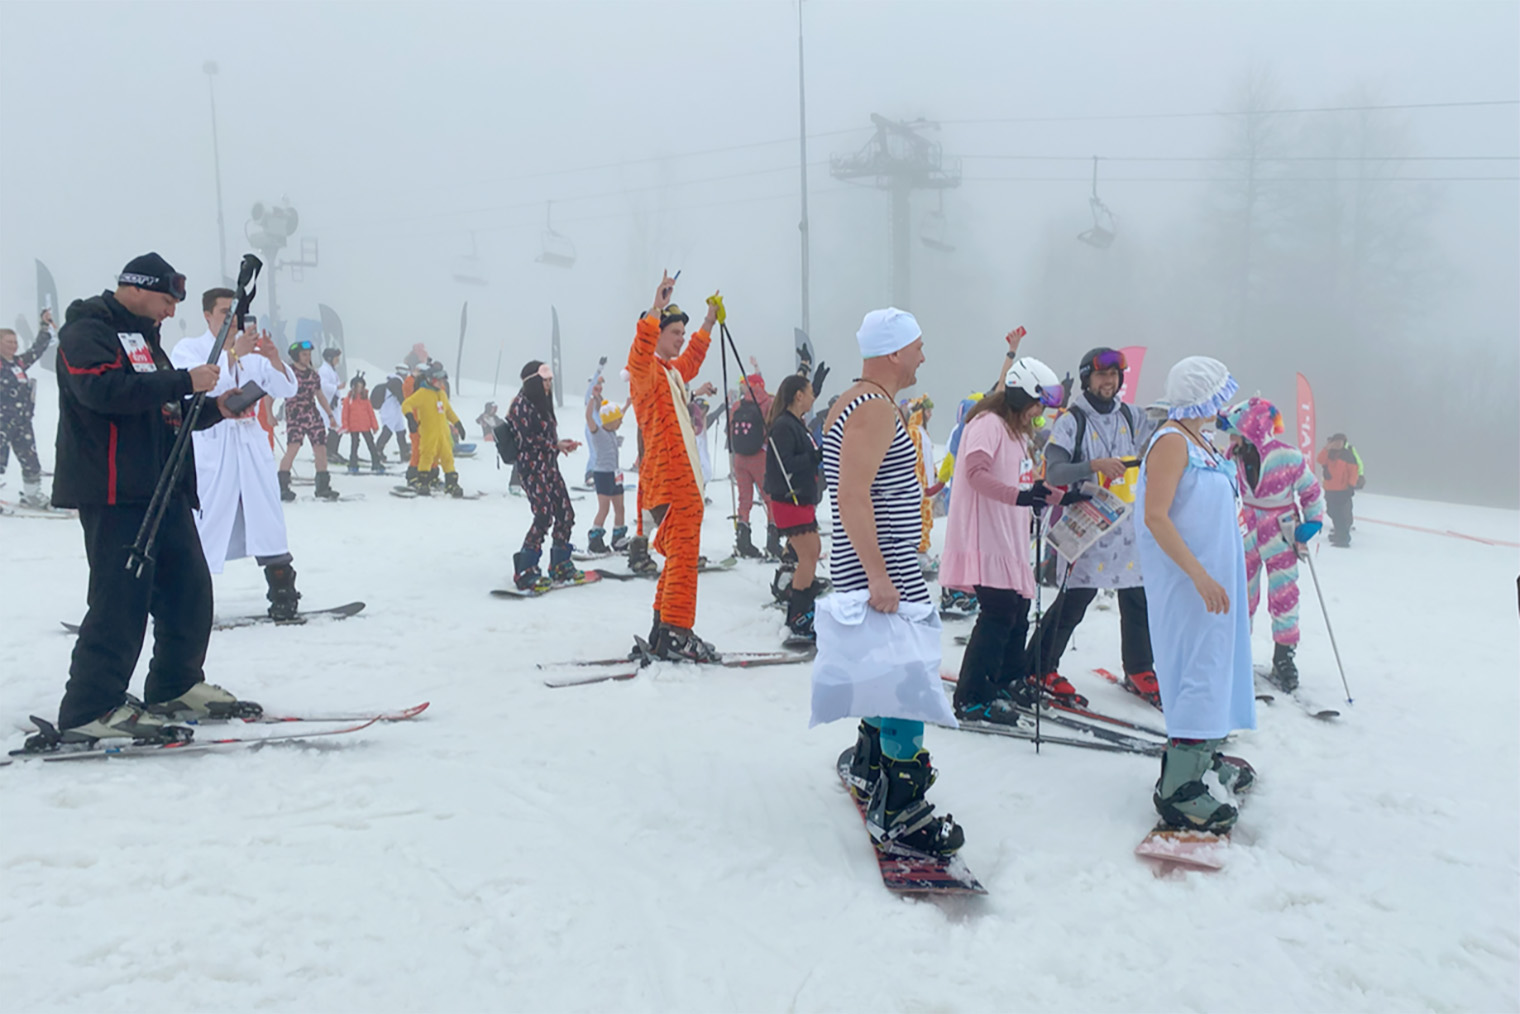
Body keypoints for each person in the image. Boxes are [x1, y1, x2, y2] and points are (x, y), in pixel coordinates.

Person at [42, 253, 260, 746]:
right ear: (136, 288)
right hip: (115, 489)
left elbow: (158, 408)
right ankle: (89, 706)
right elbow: (103, 391)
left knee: (189, 590)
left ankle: (175, 684)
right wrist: (183, 380)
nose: (168, 311)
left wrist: (212, 408)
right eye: (165, 300)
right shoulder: (87, 331)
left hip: (162, 487)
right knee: (120, 599)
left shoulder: (145, 341)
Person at [827, 307, 964, 856]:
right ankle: (902, 809)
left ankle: (870, 762)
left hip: (871, 564)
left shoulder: (853, 400)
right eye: (917, 347)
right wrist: (882, 578)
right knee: (908, 680)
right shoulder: (875, 409)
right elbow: (852, 495)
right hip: (883, 568)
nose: (923, 357)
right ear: (893, 352)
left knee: (883, 669)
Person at [1135, 356, 1254, 833]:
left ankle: (1204, 755)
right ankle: (1179, 786)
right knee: (1196, 668)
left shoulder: (1202, 440)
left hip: (1217, 581)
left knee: (1217, 665)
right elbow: (1156, 516)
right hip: (1189, 586)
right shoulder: (1170, 441)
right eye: (1219, 393)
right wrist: (1198, 575)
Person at [943, 333, 1074, 724]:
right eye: (1036, 403)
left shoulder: (1016, 432)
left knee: (1016, 612)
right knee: (998, 614)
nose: (1038, 413)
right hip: (986, 538)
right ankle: (971, 695)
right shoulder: (988, 424)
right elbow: (976, 473)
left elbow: (1020, 484)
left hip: (1010, 541)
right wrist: (1021, 498)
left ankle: (1004, 679)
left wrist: (1058, 498)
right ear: (1019, 396)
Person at [1025, 347, 1160, 705]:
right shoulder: (1072, 420)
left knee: (1137, 598)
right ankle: (1039, 666)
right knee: (1074, 601)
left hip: (1126, 526)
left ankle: (1139, 667)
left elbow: (1165, 427)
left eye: (1115, 376)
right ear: (1087, 379)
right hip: (1087, 524)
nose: (1109, 382)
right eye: (1102, 376)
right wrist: (1094, 465)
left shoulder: (1131, 415)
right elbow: (1054, 471)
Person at [170, 287, 303, 620]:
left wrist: (272, 358)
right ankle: (183, 600)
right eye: (223, 313)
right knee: (206, 522)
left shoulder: (253, 353)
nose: (231, 321)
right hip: (213, 442)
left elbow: (286, 389)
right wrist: (231, 354)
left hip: (249, 443)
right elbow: (197, 388)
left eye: (235, 313)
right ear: (207, 315)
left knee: (268, 518)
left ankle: (283, 592)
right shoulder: (189, 349)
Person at [625, 272, 719, 660]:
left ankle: (664, 628)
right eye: (674, 331)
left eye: (682, 330)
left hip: (680, 480)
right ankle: (677, 631)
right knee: (683, 556)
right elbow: (638, 351)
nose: (680, 337)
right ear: (658, 333)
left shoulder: (670, 372)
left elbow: (691, 359)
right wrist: (656, 307)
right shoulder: (646, 373)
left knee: (680, 555)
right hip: (670, 479)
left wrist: (709, 322)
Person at [1217, 396, 1326, 691]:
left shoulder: (1288, 457)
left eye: (1236, 430)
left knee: (1285, 596)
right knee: (1242, 596)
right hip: (1245, 532)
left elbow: (1311, 491)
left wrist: (1313, 521)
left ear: (1254, 429)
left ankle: (1284, 657)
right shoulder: (1231, 457)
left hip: (1280, 532)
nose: (1231, 437)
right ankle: (1238, 654)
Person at [507, 360, 583, 588]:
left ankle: (560, 563)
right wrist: (555, 446)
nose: (549, 385)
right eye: (545, 381)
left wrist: (559, 444)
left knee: (566, 513)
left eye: (550, 380)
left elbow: (545, 438)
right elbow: (526, 439)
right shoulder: (521, 405)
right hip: (532, 469)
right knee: (543, 515)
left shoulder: (541, 404)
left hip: (549, 467)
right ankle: (525, 567)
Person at [763, 373, 824, 642]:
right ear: (798, 396)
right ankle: (798, 616)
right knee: (809, 555)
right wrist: (815, 456)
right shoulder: (784, 426)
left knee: (812, 553)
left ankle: (804, 606)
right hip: (790, 500)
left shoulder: (795, 423)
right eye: (810, 392)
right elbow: (785, 463)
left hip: (801, 499)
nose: (813, 397)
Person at [0, 309, 56, 507]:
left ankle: (32, 496)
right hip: (2, 421)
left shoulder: (18, 364)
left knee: (30, 459)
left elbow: (36, 350)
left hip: (22, 421)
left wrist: (44, 327)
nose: (13, 346)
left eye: (15, 342)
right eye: (8, 342)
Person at [276, 340, 340, 501]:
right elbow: (273, 392)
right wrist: (270, 414)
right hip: (295, 415)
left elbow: (320, 395)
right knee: (293, 448)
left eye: (309, 354)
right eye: (304, 354)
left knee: (321, 449)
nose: (307, 357)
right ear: (296, 356)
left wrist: (330, 415)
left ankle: (323, 487)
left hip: (313, 414)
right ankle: (282, 487)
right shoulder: (288, 373)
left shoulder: (313, 374)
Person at [728, 361, 775, 559]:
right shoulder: (768, 402)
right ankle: (773, 542)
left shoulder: (739, 405)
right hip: (761, 456)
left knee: (744, 499)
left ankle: (743, 540)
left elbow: (730, 429)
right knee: (769, 498)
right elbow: (773, 426)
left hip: (740, 457)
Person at [401, 363, 466, 497]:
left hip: (443, 435)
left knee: (448, 458)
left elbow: (448, 411)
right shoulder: (422, 393)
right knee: (426, 456)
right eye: (439, 381)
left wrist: (458, 424)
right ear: (431, 380)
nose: (441, 383)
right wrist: (410, 418)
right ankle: (423, 482)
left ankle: (451, 483)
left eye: (442, 381)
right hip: (428, 434)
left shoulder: (441, 394)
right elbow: (406, 404)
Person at [584, 382, 629, 555]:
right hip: (602, 474)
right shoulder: (598, 432)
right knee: (604, 508)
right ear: (610, 421)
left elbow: (619, 415)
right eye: (618, 421)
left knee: (620, 507)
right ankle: (595, 539)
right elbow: (589, 417)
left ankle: (618, 538)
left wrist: (627, 405)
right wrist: (593, 398)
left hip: (616, 474)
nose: (621, 423)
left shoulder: (612, 431)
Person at [1317, 433, 1361, 547]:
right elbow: (1320, 459)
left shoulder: (1348, 455)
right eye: (1336, 442)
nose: (1338, 444)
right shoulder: (1329, 454)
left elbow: (1353, 471)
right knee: (1332, 511)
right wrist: (1327, 448)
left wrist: (1351, 486)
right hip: (1330, 488)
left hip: (1342, 490)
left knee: (1340, 514)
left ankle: (1343, 537)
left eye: (1340, 442)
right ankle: (1338, 533)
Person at [341, 373, 383, 473]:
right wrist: (345, 426)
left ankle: (376, 462)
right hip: (353, 426)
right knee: (354, 445)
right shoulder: (348, 400)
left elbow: (371, 413)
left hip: (365, 426)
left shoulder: (366, 400)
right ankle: (353, 463)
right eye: (357, 386)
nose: (359, 389)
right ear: (353, 387)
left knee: (371, 444)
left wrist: (375, 426)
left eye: (361, 386)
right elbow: (344, 414)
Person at [374, 364, 410, 463]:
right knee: (388, 431)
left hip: (395, 410)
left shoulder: (395, 381)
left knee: (401, 430)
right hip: (390, 410)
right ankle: (377, 450)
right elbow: (401, 397)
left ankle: (404, 452)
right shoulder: (396, 382)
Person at [319, 346, 346, 465]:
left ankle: (334, 450)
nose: (338, 360)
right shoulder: (324, 370)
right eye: (336, 358)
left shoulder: (331, 369)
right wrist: (337, 387)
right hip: (328, 403)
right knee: (333, 428)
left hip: (334, 403)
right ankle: (329, 452)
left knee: (338, 428)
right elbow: (323, 386)